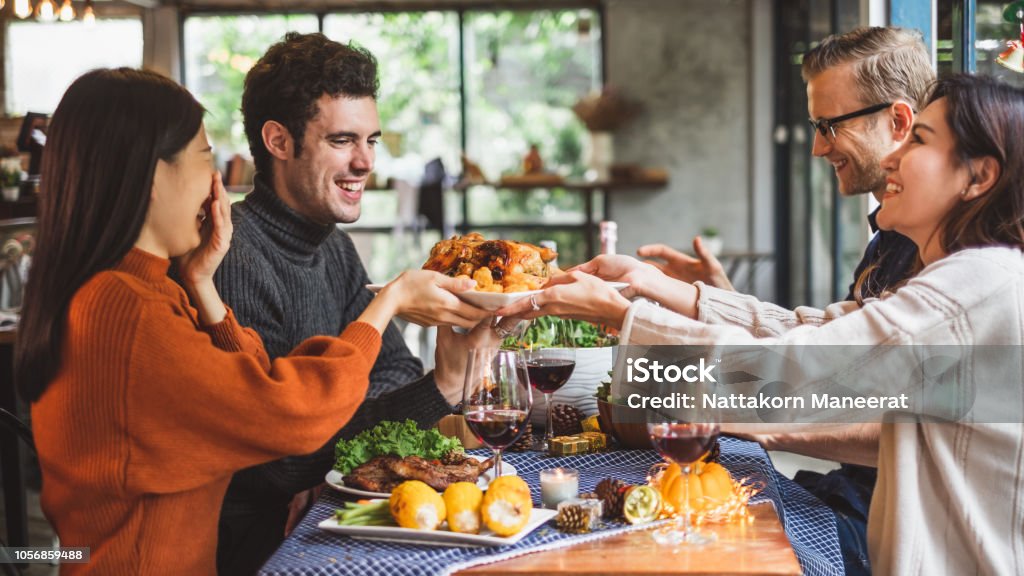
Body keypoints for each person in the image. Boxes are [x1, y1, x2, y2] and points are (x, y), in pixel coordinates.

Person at [499, 73, 1024, 575]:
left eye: (919, 142)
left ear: (979, 176)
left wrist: (623, 315)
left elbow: (795, 373)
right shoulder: (974, 280)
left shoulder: (973, 287)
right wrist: (656, 287)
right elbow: (812, 334)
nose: (892, 155)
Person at [15, 68, 485, 575]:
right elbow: (286, 417)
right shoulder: (125, 313)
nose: (217, 183)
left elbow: (254, 385)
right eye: (204, 158)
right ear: (153, 175)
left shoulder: (147, 289)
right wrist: (386, 305)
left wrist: (203, 286)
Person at [633, 27, 934, 575]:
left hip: (894, 525)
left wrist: (737, 405)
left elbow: (898, 417)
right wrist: (709, 300)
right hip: (855, 494)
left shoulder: (951, 257)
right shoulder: (891, 239)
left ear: (898, 121)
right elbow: (826, 345)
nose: (818, 147)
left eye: (828, 126)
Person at [209, 33, 498, 574]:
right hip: (260, 546)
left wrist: (339, 463)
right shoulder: (235, 256)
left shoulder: (332, 246)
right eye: (343, 140)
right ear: (278, 141)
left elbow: (391, 370)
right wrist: (438, 389)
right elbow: (280, 461)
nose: (365, 162)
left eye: (372, 140)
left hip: (329, 510)